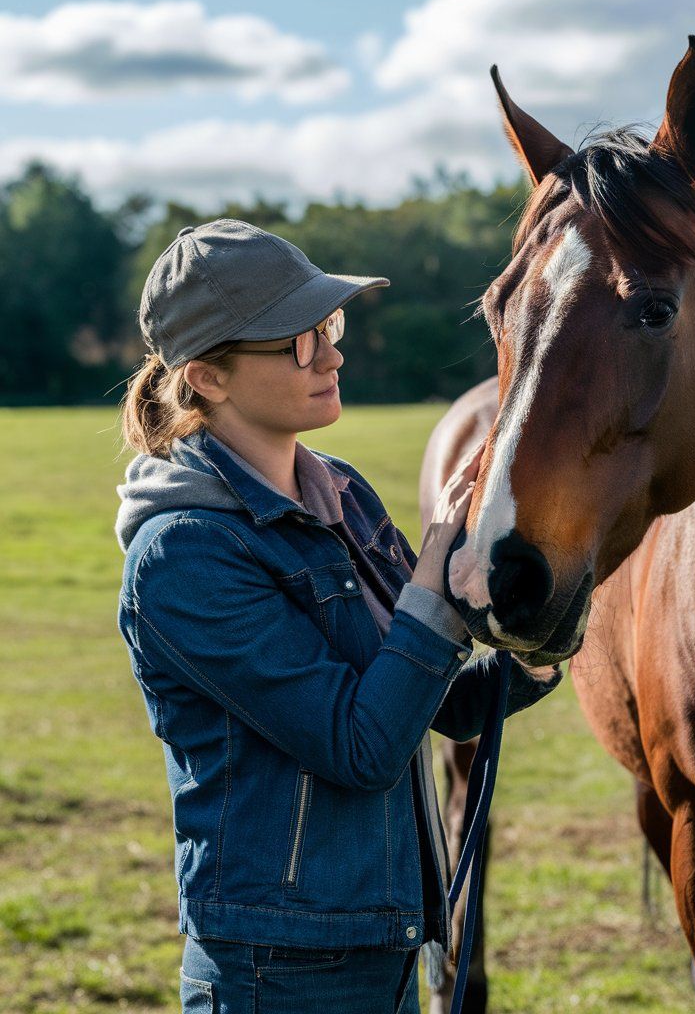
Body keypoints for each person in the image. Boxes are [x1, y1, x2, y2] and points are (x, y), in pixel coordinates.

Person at [114, 219, 560, 1014]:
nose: (331, 353)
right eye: (297, 339)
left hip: (381, 941)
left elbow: (433, 704)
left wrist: (538, 645)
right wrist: (430, 579)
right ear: (208, 377)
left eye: (330, 326)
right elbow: (364, 745)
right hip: (276, 970)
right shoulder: (181, 556)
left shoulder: (342, 494)